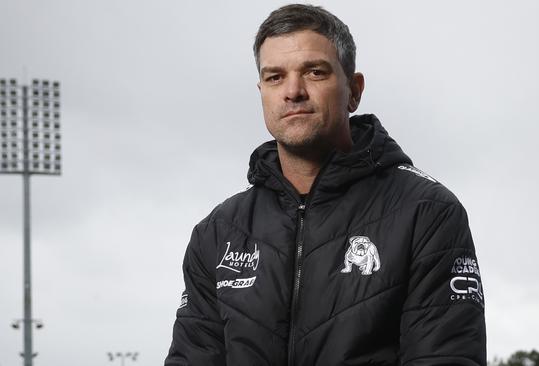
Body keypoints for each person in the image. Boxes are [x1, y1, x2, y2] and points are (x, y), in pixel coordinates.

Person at [164, 4, 486, 366]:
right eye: (274, 77)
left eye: (314, 72)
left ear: (354, 90)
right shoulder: (219, 231)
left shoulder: (427, 213)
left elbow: (444, 357)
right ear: (261, 91)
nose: (293, 91)